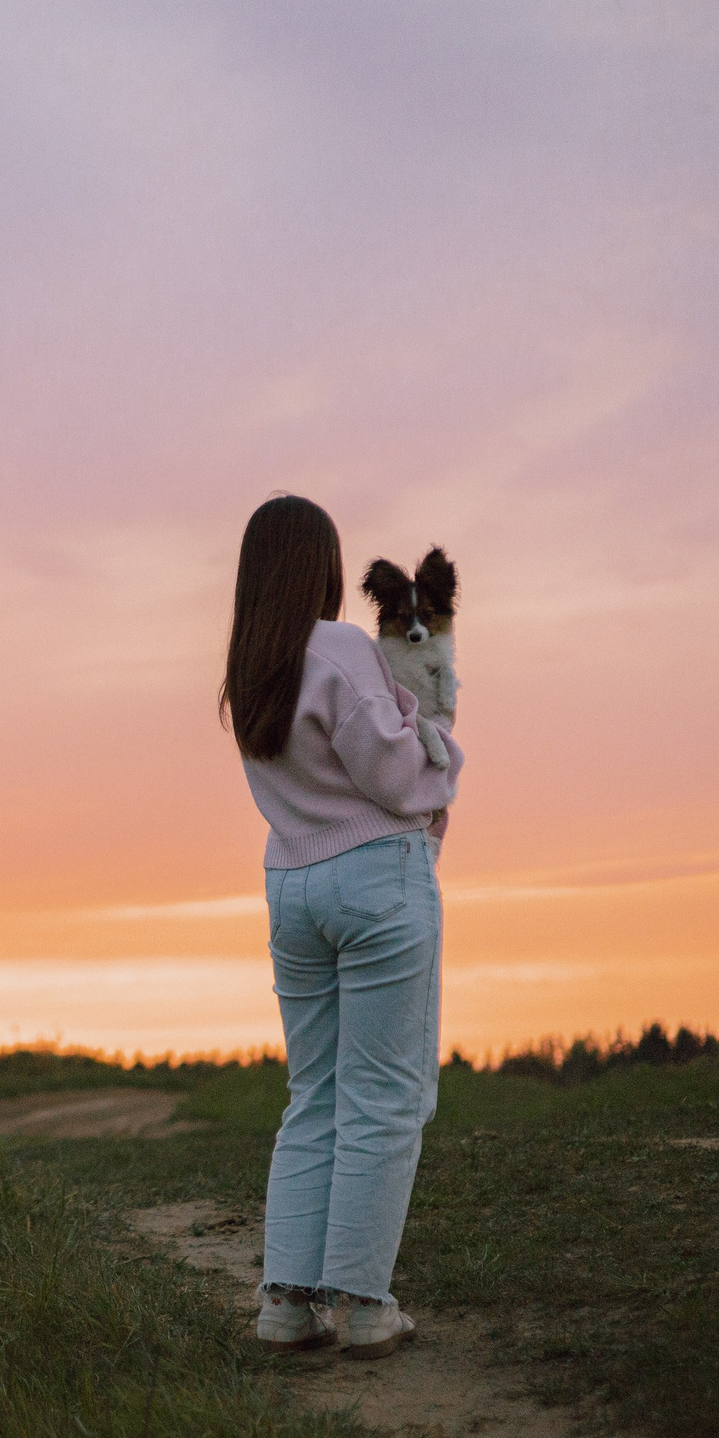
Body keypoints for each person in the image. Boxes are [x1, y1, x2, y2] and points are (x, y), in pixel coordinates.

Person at [222, 494, 459, 1359]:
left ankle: (286, 1302)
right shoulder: (338, 648)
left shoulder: (251, 666)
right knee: (384, 1095)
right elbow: (397, 770)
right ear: (321, 564)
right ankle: (362, 1302)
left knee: (314, 1092)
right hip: (375, 880)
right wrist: (441, 753)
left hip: (291, 881)